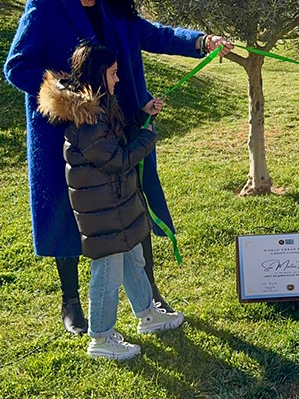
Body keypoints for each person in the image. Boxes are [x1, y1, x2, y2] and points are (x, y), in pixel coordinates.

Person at [5, 0, 232, 334]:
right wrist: (70, 96)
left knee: (133, 204)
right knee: (68, 212)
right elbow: (17, 66)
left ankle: (149, 297)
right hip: (64, 134)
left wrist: (200, 41)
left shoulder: (114, 6)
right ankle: (71, 302)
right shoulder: (45, 6)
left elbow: (155, 34)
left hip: (122, 124)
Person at [38, 41, 184, 360]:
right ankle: (101, 339)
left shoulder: (100, 108)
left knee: (133, 257)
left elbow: (114, 139)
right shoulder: (88, 120)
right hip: (102, 210)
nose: (117, 79)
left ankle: (147, 314)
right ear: (98, 74)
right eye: (113, 73)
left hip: (116, 202)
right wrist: (148, 138)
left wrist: (141, 116)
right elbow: (117, 159)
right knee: (107, 274)